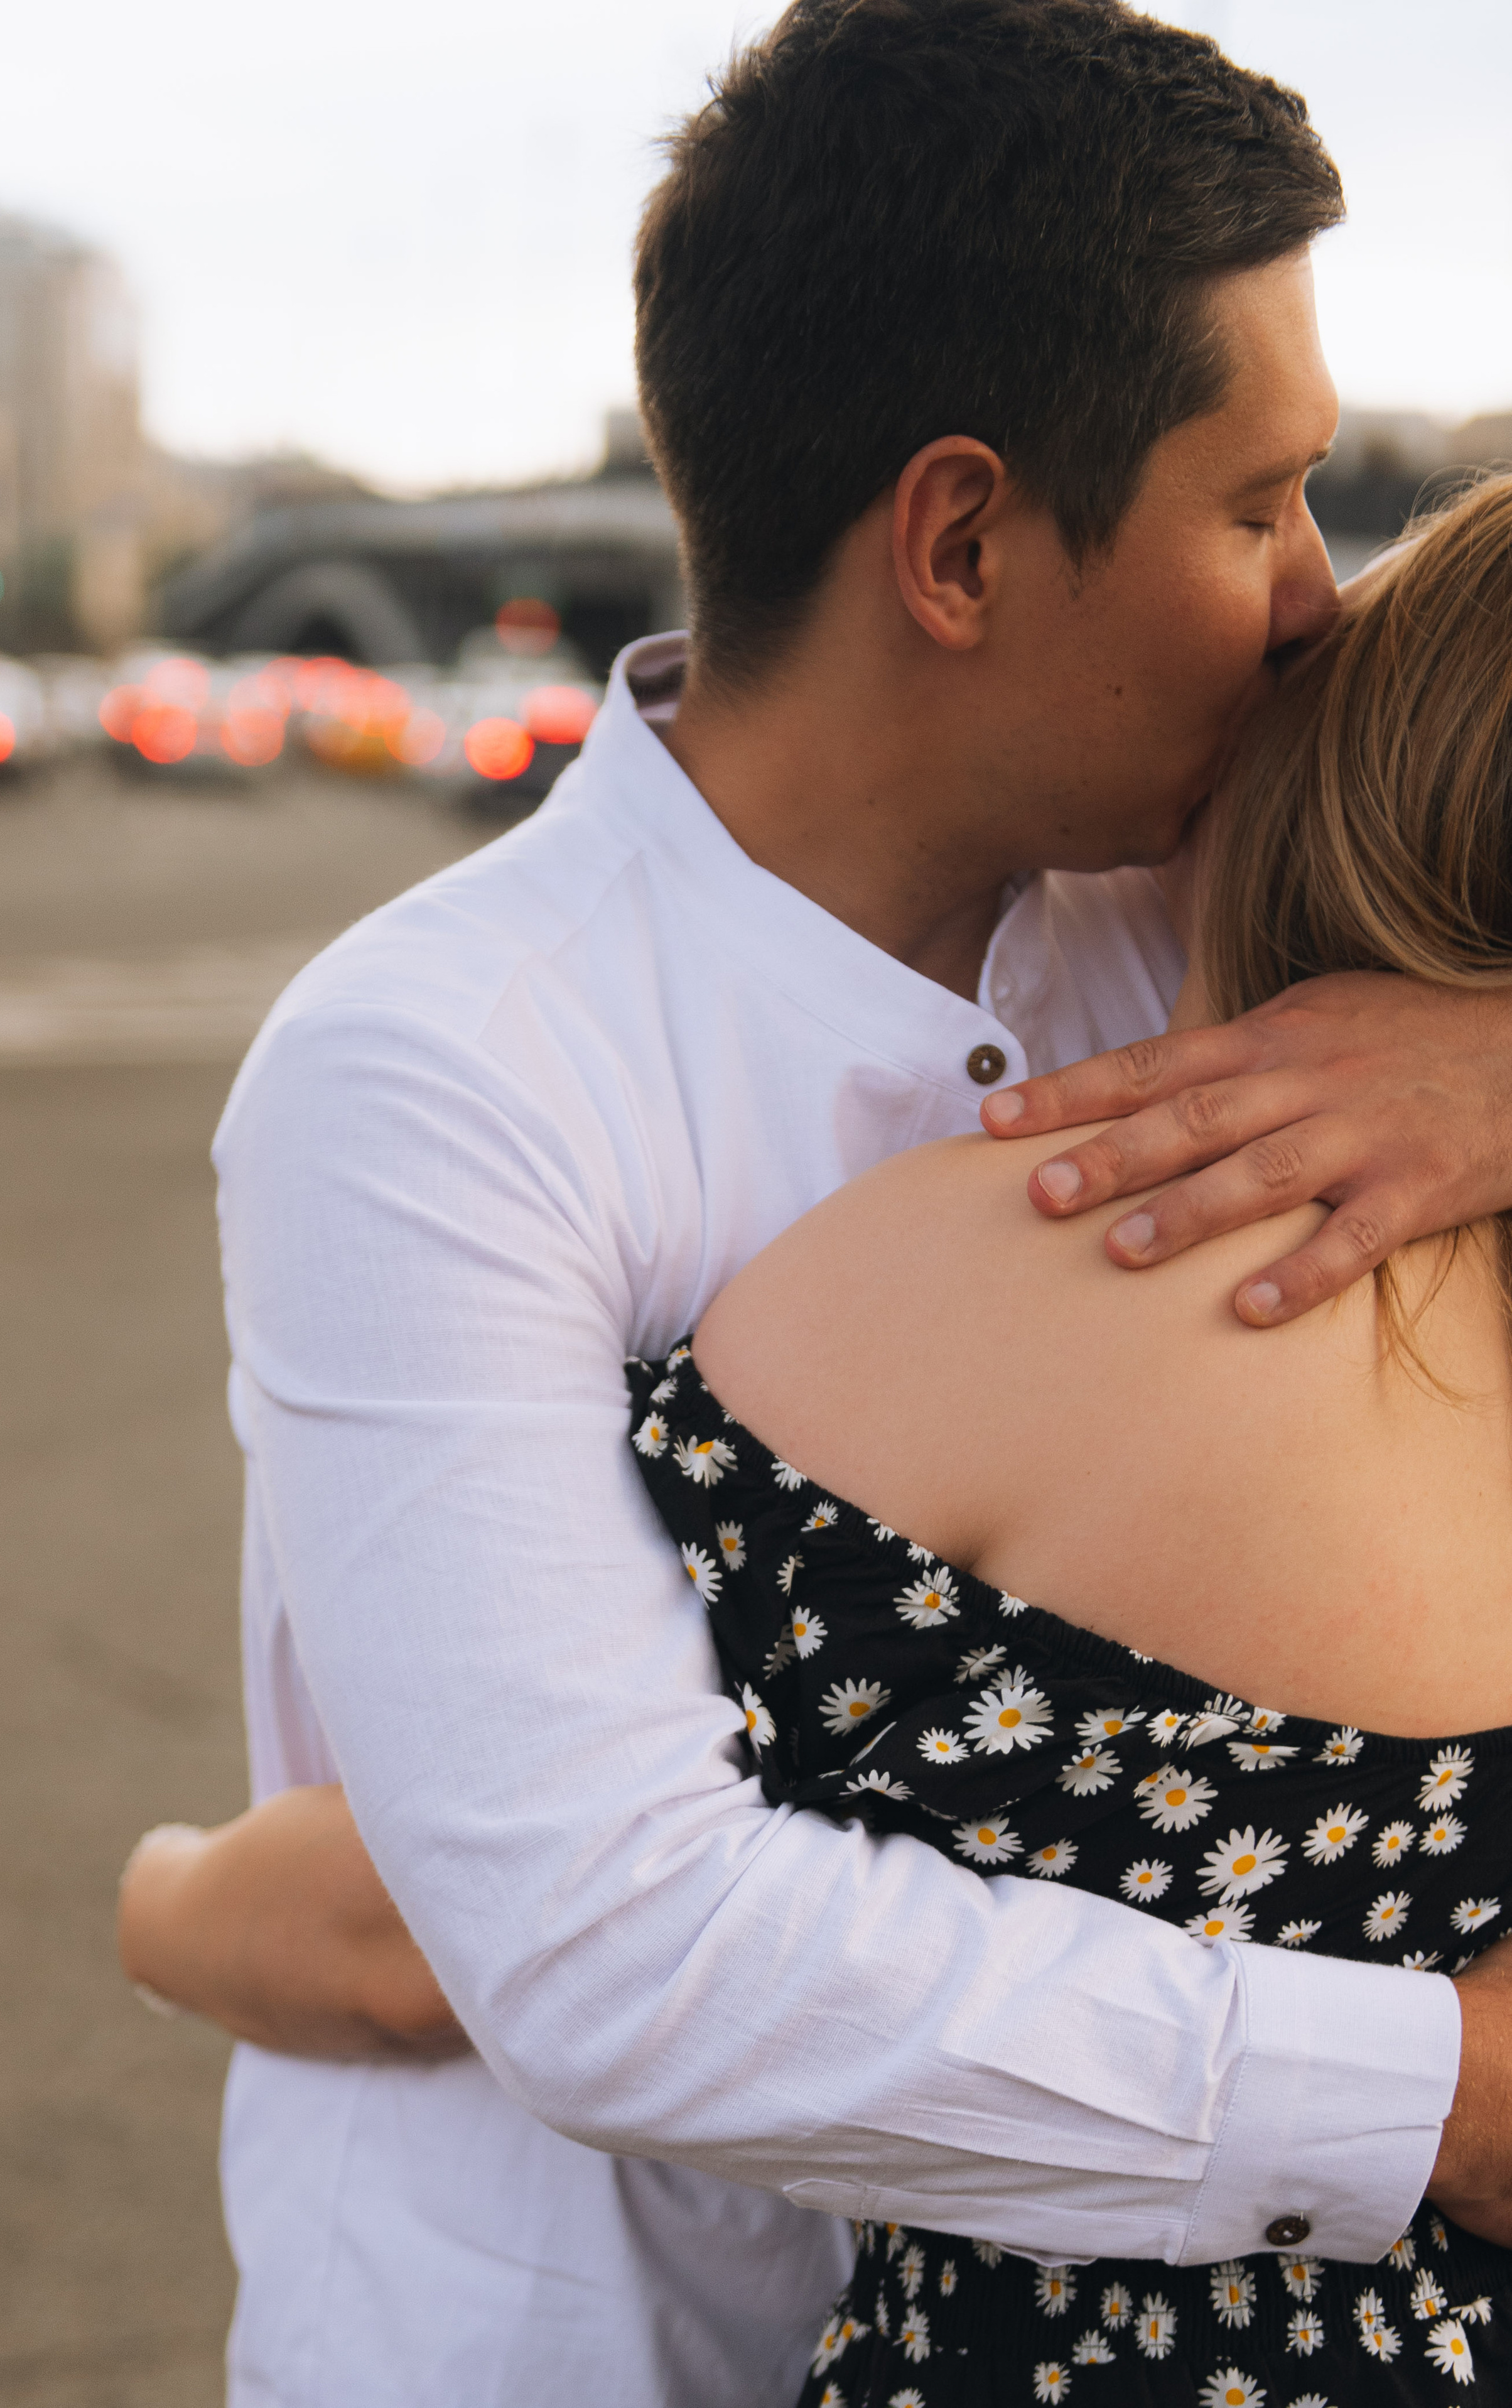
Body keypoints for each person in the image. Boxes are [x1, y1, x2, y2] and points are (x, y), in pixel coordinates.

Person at [126, 7, 1512, 2402]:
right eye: (1254, 499)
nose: (1317, 596)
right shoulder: (442, 1072)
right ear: (962, 539)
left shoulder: (1225, 939)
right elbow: (622, 1948)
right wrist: (1447, 2094)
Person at [622, 470, 1512, 2402]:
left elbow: (544, 1897)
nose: (1298, 596)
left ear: (1350, 783)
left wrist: (188, 1892)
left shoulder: (957, 1275)